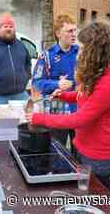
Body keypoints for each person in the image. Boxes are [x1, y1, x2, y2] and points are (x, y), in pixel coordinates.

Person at [27, 21, 110, 192]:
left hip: (99, 154)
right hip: (86, 146)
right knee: (83, 191)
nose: (80, 52)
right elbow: (86, 96)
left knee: (96, 198)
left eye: (83, 48)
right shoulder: (102, 71)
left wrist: (38, 118)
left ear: (95, 50)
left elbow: (80, 119)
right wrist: (64, 95)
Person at [32, 14, 79, 148]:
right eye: (69, 31)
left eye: (75, 30)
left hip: (79, 110)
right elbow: (36, 82)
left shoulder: (81, 53)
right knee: (57, 150)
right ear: (58, 33)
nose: (74, 34)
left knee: (80, 152)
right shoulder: (47, 56)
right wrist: (56, 84)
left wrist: (74, 83)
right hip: (57, 111)